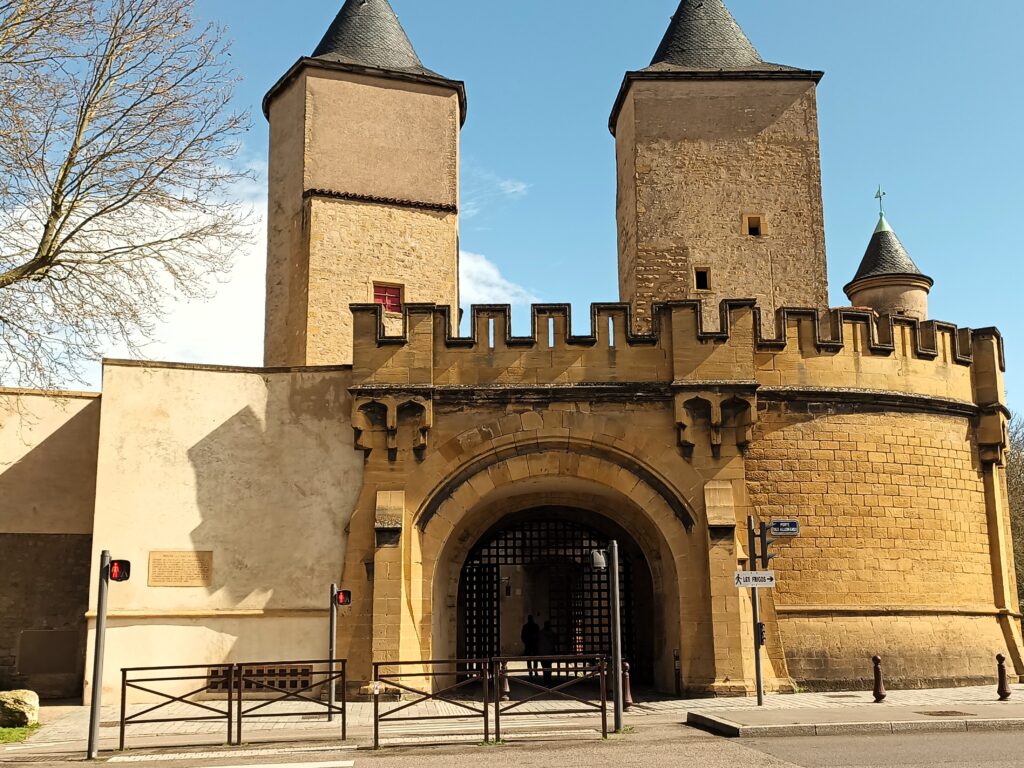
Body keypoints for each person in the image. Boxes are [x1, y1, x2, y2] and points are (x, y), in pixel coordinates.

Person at [538, 620, 558, 686]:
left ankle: (546, 680)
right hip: (549, 653)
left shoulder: (540, 633)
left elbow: (537, 642)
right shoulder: (552, 633)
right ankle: (548, 680)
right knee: (548, 667)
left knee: (545, 668)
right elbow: (556, 641)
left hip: (543, 654)